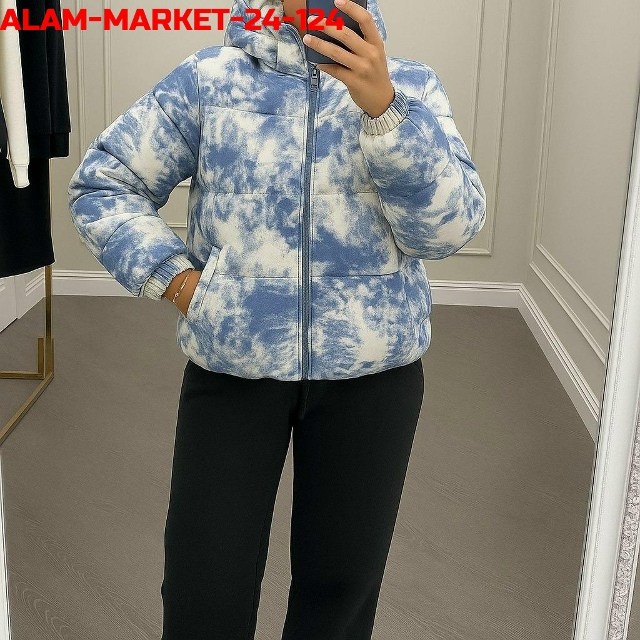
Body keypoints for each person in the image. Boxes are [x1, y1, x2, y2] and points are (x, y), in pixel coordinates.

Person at [67, 0, 486, 638]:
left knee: (340, 593)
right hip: (234, 371)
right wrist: (182, 283)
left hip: (372, 377)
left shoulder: (411, 87)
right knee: (205, 588)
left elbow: (448, 233)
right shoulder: (210, 79)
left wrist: (386, 113)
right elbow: (103, 183)